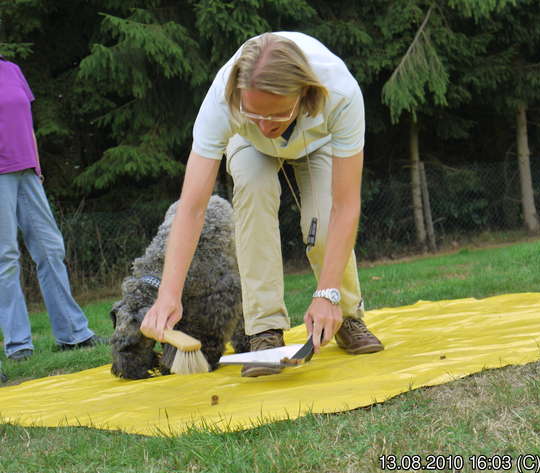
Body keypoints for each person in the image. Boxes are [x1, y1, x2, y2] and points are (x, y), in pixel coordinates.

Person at [140, 32, 384, 377]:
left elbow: (345, 205)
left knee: (323, 217)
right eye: (256, 114)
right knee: (253, 196)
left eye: (276, 116)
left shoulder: (340, 93)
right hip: (248, 145)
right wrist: (168, 295)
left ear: (303, 94)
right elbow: (193, 207)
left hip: (318, 141)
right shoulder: (222, 102)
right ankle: (264, 332)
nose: (267, 126)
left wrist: (326, 293)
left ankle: (343, 314)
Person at [0, 57, 106, 361]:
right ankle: (19, 345)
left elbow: (27, 121)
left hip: (27, 172)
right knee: (5, 257)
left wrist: (36, 165)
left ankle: (73, 335)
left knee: (50, 248)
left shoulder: (11, 69)